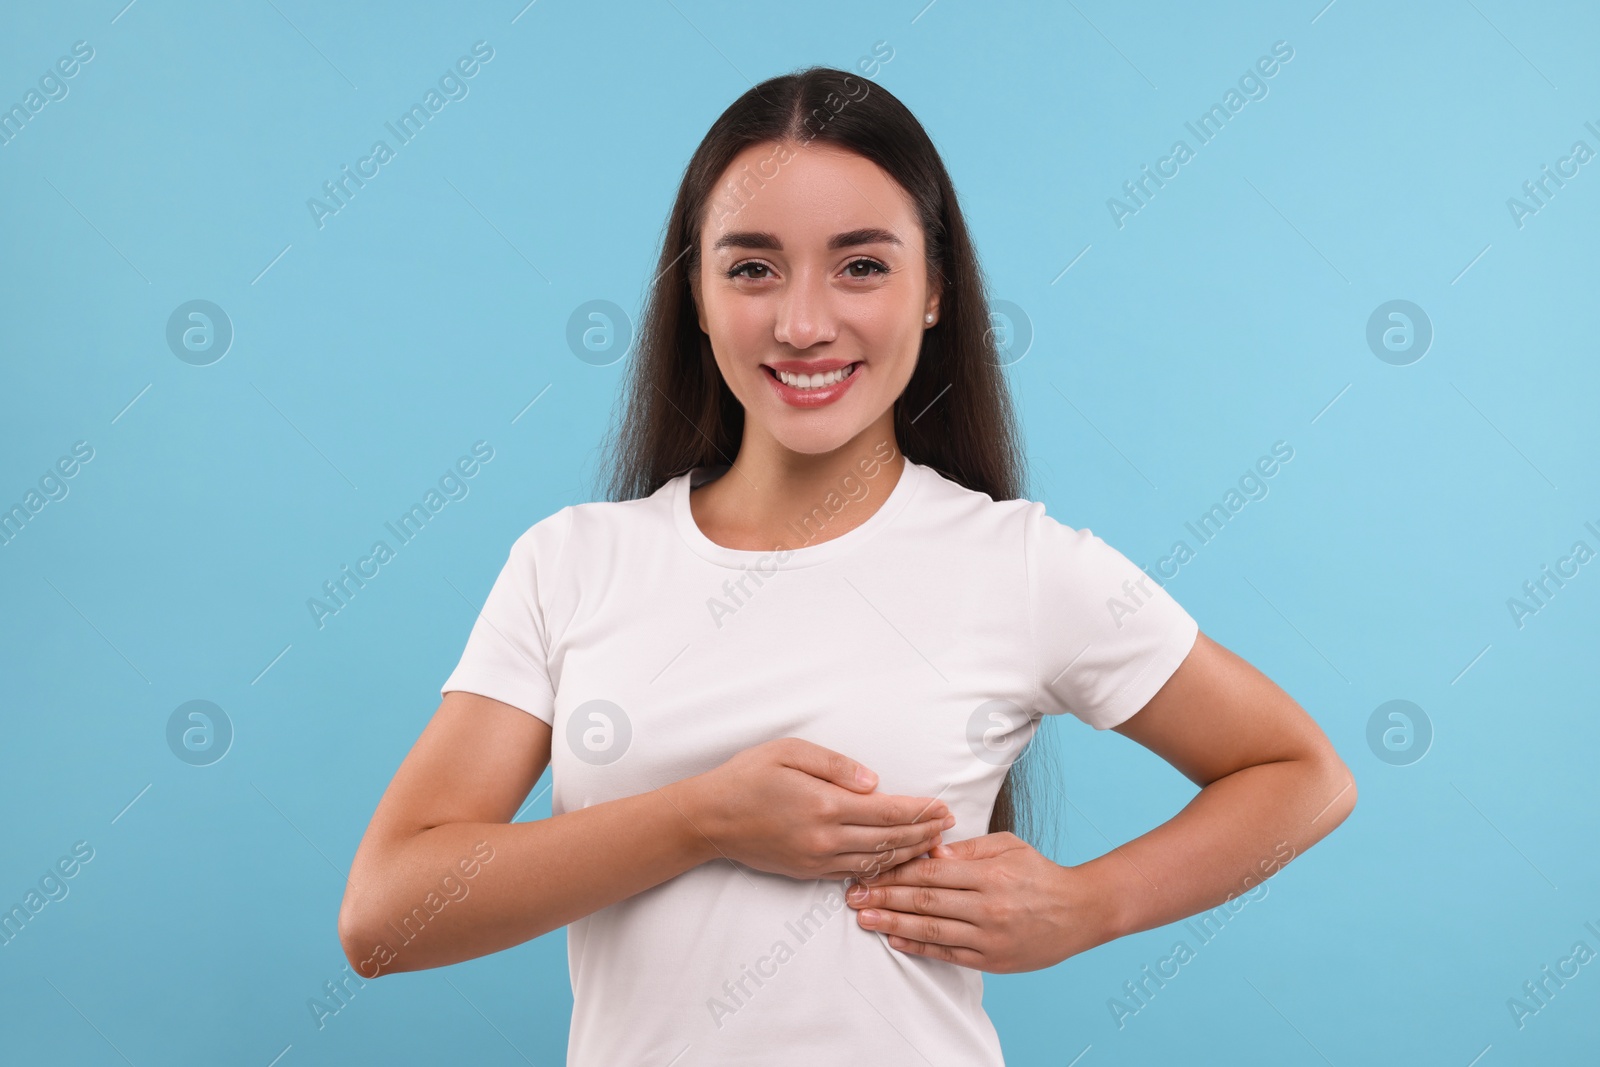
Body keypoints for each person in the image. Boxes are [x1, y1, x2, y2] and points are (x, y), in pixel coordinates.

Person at [338, 66, 1356, 1064]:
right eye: (752, 267)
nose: (803, 322)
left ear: (933, 291)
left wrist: (1090, 905)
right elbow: (384, 915)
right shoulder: (571, 563)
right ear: (694, 293)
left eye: (861, 265)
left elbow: (1301, 774)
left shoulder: (1021, 565)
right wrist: (701, 818)